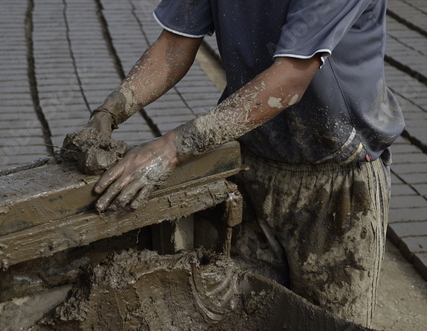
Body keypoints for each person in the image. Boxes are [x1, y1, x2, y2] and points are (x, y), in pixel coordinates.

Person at [70, 0, 404, 327]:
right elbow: (175, 44)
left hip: (336, 182)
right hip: (253, 163)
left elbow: (290, 76)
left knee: (328, 322)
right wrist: (111, 111)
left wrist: (172, 148)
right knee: (247, 314)